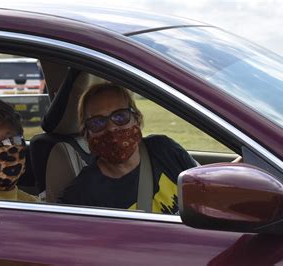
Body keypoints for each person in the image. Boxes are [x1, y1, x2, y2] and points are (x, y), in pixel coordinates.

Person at [60, 83, 197, 214]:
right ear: (87, 133)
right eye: (98, 122)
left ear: (136, 118)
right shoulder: (82, 194)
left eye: (120, 116)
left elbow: (204, 190)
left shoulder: (165, 150)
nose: (111, 127)